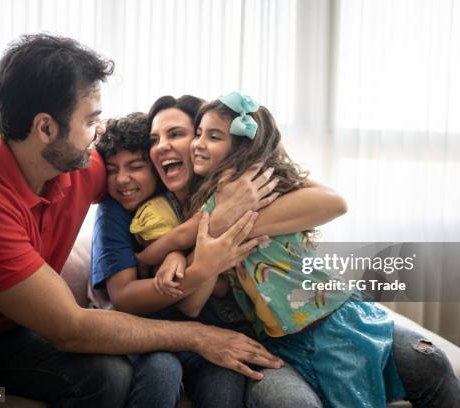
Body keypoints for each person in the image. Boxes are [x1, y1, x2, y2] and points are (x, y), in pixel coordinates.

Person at [0, 34, 282, 407]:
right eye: (91, 120)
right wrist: (198, 335)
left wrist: (231, 179)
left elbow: (155, 170)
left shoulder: (79, 165)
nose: (100, 133)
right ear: (46, 128)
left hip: (6, 334)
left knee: (110, 378)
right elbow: (71, 327)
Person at [154, 92, 460, 408]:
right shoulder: (208, 203)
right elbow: (195, 292)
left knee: (423, 361)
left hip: (332, 314)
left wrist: (170, 249)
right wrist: (180, 255)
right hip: (281, 338)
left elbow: (335, 203)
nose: (197, 144)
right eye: (199, 134)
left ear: (242, 147)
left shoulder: (259, 185)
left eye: (211, 136)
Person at [92, 94, 345, 408]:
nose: (164, 146)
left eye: (179, 134)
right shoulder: (143, 201)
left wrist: (221, 229)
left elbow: (332, 202)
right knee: (162, 370)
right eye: (155, 139)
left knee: (224, 385)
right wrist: (195, 251)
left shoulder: (227, 186)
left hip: (261, 322)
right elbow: (139, 297)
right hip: (157, 331)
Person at [91, 112, 248, 408]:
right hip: (138, 332)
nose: (122, 180)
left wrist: (175, 253)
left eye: (136, 167)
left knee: (227, 378)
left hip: (198, 324)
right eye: (112, 170)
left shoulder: (182, 196)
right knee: (162, 370)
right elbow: (123, 298)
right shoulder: (112, 212)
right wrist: (185, 260)